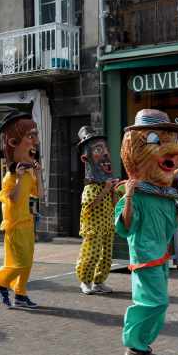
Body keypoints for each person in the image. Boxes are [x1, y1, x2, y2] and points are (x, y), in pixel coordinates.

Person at [116, 109, 178, 355]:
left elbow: (170, 229)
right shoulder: (134, 192)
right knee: (153, 302)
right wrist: (128, 196)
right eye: (156, 140)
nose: (170, 154)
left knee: (160, 305)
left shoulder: (164, 195)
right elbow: (126, 228)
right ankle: (133, 341)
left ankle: (141, 344)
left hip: (161, 257)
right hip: (145, 257)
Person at [0, 111, 41, 310]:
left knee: (27, 262)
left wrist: (37, 173)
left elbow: (39, 194)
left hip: (27, 223)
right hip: (14, 225)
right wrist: (20, 178)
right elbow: (11, 198)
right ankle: (1, 285)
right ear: (13, 143)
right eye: (31, 136)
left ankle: (20, 294)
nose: (36, 142)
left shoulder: (28, 174)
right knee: (18, 262)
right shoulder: (10, 178)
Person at [75, 126, 118, 295]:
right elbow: (89, 207)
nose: (106, 153)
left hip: (107, 223)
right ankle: (85, 281)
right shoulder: (90, 188)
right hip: (93, 226)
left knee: (106, 255)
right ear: (86, 157)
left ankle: (99, 281)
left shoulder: (105, 184)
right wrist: (106, 190)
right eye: (99, 149)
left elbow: (114, 203)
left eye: (105, 148)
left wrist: (113, 191)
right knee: (91, 254)